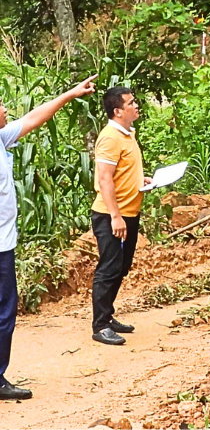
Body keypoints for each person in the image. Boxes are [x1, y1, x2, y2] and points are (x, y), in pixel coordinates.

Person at [0, 74, 98, 401]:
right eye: (0, 106)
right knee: (3, 312)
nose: (5, 108)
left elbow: (32, 118)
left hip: (5, 245)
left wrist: (70, 94)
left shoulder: (1, 139)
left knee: (5, 311)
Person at [90, 87, 151, 346]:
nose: (136, 106)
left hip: (129, 211)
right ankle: (100, 325)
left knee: (121, 267)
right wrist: (115, 217)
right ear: (118, 111)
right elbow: (104, 179)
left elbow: (121, 172)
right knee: (109, 268)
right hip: (111, 214)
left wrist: (142, 180)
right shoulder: (110, 138)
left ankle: (109, 315)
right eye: (131, 103)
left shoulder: (127, 134)